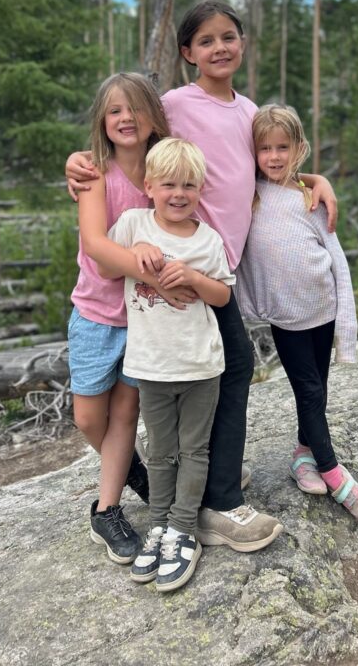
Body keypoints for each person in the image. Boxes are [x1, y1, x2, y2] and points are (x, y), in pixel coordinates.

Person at [66, 0, 339, 552]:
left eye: (228, 37)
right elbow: (131, 139)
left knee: (212, 374)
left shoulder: (249, 111)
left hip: (214, 269)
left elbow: (264, 164)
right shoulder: (173, 104)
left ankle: (207, 481)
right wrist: (79, 161)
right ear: (187, 52)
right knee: (223, 369)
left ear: (243, 43)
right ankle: (215, 498)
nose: (219, 48)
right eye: (206, 40)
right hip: (177, 269)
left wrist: (313, 178)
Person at [236, 104, 358, 524]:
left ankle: (304, 454)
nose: (274, 156)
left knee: (320, 385)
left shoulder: (310, 198)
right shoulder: (249, 197)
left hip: (324, 308)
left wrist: (346, 329)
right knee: (309, 391)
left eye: (282, 147)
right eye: (265, 148)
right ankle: (335, 475)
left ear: (299, 148)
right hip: (287, 318)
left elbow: (338, 261)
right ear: (253, 152)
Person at [101, 137, 234, 592]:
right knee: (160, 451)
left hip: (200, 365)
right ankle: (158, 524)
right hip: (151, 366)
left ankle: (183, 530)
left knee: (194, 450)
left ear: (200, 189)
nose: (179, 194)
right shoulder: (132, 224)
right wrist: (136, 254)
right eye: (169, 185)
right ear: (150, 187)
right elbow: (106, 267)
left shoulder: (208, 239)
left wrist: (194, 277)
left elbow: (223, 295)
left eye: (189, 186)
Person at [68, 71, 179, 566]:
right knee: (89, 417)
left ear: (155, 116)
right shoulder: (95, 174)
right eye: (115, 110)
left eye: (135, 109)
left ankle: (106, 509)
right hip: (95, 316)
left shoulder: (162, 177)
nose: (126, 118)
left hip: (143, 319)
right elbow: (96, 246)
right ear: (101, 120)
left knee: (126, 415)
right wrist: (147, 267)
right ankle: (133, 471)